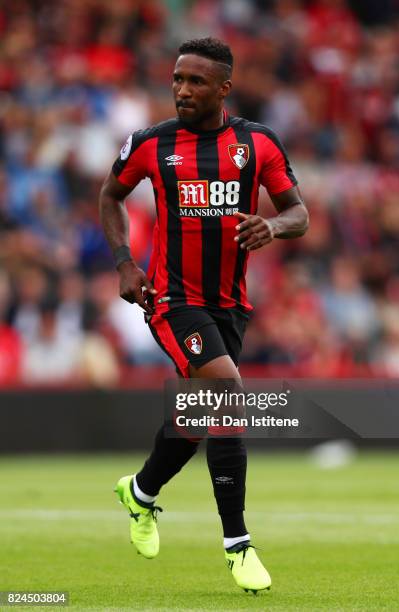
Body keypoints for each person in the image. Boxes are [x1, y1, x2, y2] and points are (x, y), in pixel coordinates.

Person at [99, 37, 309, 594]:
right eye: (177, 78)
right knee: (229, 394)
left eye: (195, 81)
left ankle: (140, 492)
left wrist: (273, 226)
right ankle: (238, 544)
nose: (182, 89)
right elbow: (109, 195)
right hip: (170, 299)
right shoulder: (151, 143)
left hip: (229, 304)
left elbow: (299, 213)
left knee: (198, 416)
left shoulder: (257, 143)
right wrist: (124, 263)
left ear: (224, 88)